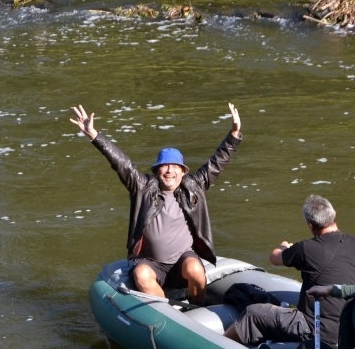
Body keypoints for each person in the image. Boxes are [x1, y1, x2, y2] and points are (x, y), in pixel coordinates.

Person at [70, 103, 242, 305]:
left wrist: (234, 134)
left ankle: (198, 306)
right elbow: (121, 163)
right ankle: (169, 311)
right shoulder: (142, 187)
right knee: (142, 275)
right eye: (164, 166)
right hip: (151, 262)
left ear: (183, 171)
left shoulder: (194, 187)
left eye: (175, 166)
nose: (169, 171)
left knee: (195, 269)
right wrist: (94, 135)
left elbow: (217, 162)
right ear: (157, 171)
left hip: (183, 260)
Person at [224, 195, 355, 349]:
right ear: (334, 214)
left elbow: (275, 258)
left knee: (253, 314)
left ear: (310, 225)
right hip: (350, 326)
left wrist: (284, 246)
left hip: (316, 327)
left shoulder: (306, 248)